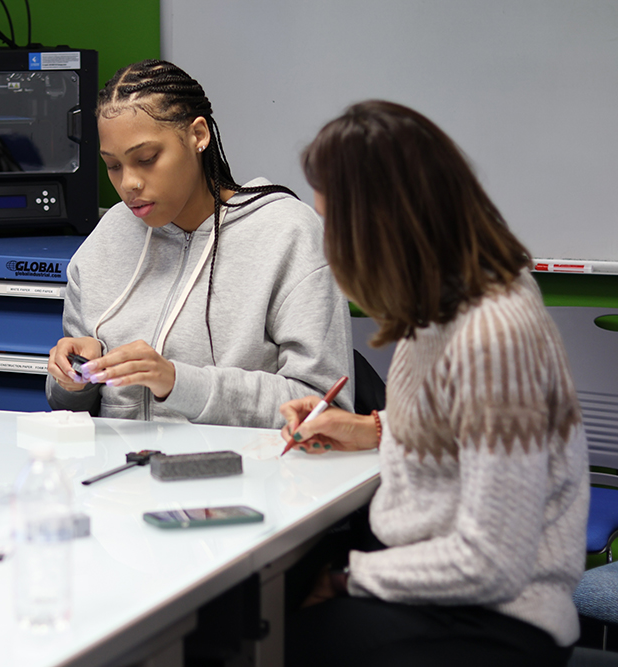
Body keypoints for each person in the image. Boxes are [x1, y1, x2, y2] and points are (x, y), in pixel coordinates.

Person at [281, 100, 588, 666]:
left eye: (333, 226)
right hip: (448, 591)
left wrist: (352, 577)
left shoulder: (494, 333)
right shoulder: (444, 304)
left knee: (279, 643)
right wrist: (372, 427)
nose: (329, 248)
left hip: (501, 616)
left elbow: (491, 561)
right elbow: (465, 426)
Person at [45, 60, 353, 427]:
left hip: (250, 477)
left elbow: (322, 407)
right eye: (113, 165)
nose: (129, 183)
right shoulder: (106, 240)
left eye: (147, 159)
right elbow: (67, 407)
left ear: (198, 135)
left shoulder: (287, 234)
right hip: (121, 475)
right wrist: (74, 382)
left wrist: (178, 383)